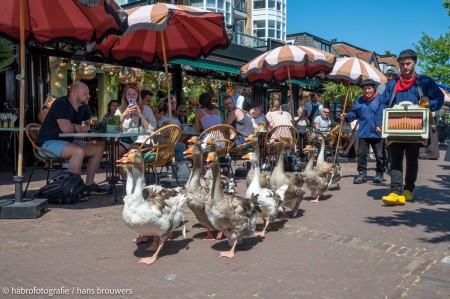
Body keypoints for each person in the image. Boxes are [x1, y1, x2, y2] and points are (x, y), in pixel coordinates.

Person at [376, 49, 444, 205]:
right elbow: (383, 103)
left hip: (416, 130)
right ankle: (395, 191)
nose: (405, 67)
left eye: (408, 63)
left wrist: (428, 105)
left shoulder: (425, 82)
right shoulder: (392, 84)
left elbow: (439, 98)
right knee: (395, 160)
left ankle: (408, 190)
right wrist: (380, 122)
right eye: (402, 64)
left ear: (415, 63)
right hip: (394, 129)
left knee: (412, 161)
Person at [35, 81, 107, 194]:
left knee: (98, 149)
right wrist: (80, 128)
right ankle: (71, 190)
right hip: (48, 142)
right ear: (74, 95)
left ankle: (88, 185)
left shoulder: (84, 105)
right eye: (85, 94)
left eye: (88, 93)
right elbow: (66, 129)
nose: (89, 96)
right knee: (78, 152)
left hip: (67, 142)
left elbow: (91, 125)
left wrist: (80, 127)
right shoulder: (60, 103)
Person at [341, 79, 385, 184]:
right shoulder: (360, 100)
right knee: (361, 154)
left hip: (377, 132)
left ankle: (379, 173)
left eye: (369, 88)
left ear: (374, 89)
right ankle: (362, 174)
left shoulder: (381, 99)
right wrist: (346, 116)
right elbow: (355, 113)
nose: (367, 91)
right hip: (364, 131)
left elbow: (384, 114)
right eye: (365, 89)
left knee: (379, 154)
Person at [116, 84, 157, 155]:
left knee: (133, 151)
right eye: (128, 94)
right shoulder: (120, 109)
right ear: (125, 96)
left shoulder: (146, 109)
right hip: (125, 140)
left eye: (134, 94)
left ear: (138, 96)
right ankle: (117, 166)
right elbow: (115, 127)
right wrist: (124, 114)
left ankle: (129, 166)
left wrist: (140, 115)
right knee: (116, 151)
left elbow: (151, 128)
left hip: (142, 140)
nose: (131, 96)